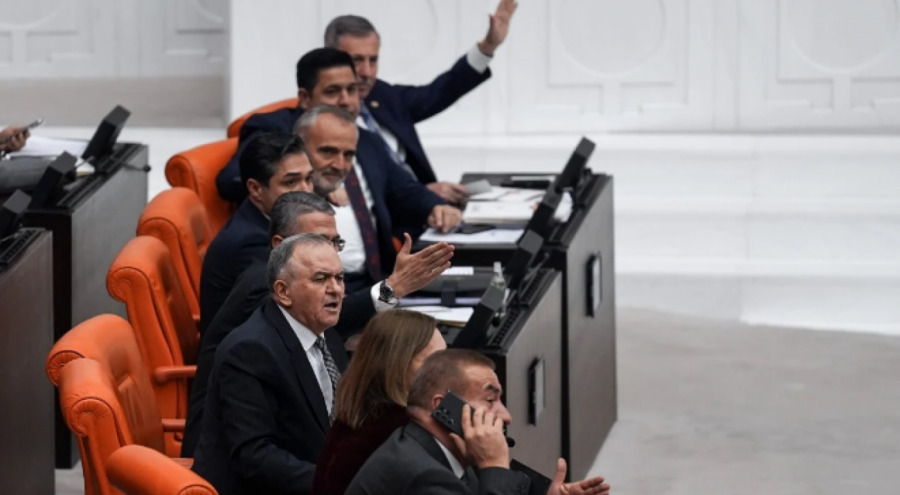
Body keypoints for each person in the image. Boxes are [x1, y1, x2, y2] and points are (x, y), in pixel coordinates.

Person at [182, 192, 454, 457]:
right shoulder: (258, 303)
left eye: (336, 243)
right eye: (319, 241)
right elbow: (256, 455)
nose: (335, 288)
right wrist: (391, 288)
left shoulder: (319, 327)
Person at [192, 234, 348, 495]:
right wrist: (338, 484)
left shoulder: (326, 332)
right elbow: (254, 456)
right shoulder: (250, 351)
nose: (336, 289)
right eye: (320, 279)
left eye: (340, 278)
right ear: (283, 292)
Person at [322, 1, 518, 204]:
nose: (367, 72)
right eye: (356, 60)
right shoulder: (317, 123)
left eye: (373, 60)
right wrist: (421, 194)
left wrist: (488, 46)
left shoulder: (382, 95)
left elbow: (440, 92)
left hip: (431, 209)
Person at [345, 349, 612, 495]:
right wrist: (494, 466)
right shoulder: (424, 476)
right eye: (489, 400)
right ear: (443, 406)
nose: (506, 416)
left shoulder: (446, 449)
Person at [295, 104, 459, 295]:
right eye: (328, 152)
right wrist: (392, 291)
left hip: (374, 281)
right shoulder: (284, 209)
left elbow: (405, 189)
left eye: (348, 155)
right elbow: (332, 307)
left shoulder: (369, 143)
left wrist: (436, 206)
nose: (340, 165)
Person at [312, 310, 446, 495]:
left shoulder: (358, 417)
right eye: (434, 360)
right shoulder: (402, 432)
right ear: (397, 364)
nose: (447, 371)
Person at [198, 131, 314, 332]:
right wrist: (373, 296)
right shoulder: (250, 244)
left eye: (309, 178)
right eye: (291, 182)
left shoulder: (271, 222)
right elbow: (297, 316)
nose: (307, 191)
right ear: (256, 189)